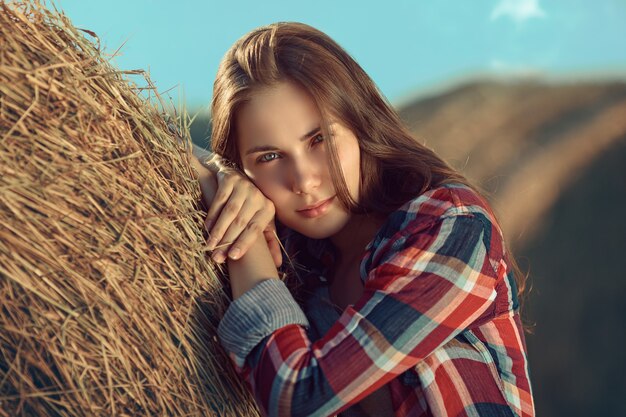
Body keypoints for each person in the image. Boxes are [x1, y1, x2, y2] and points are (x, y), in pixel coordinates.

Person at [192, 22, 534, 417]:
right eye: (269, 157)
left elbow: (299, 397)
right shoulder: (301, 267)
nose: (304, 180)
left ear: (359, 124)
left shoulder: (452, 227)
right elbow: (183, 151)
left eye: (319, 139)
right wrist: (222, 172)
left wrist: (242, 237)